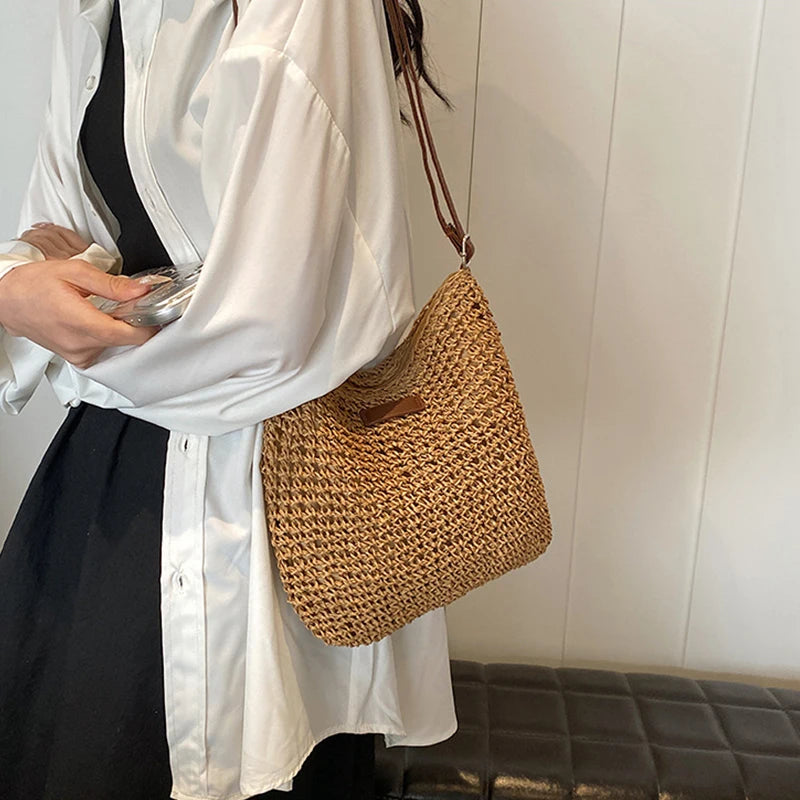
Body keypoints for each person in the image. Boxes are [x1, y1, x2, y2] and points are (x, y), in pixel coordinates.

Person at [0, 1, 459, 798]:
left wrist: (47, 318)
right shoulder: (91, 10)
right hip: (105, 479)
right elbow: (52, 237)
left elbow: (271, 324)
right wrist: (19, 287)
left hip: (282, 499)